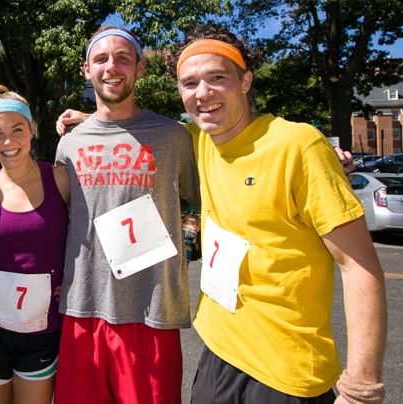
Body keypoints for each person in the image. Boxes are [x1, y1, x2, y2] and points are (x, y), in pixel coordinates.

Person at [169, 24, 386, 403]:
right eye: (190, 84)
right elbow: (140, 128)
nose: (202, 93)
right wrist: (89, 119)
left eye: (216, 78)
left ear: (246, 81)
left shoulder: (298, 146)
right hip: (215, 352)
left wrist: (360, 388)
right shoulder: (197, 141)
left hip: (284, 374)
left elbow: (360, 266)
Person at [52, 26, 200, 403]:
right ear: (87, 69)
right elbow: (57, 214)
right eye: (101, 59)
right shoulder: (70, 143)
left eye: (122, 58)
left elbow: (205, 198)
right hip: (82, 307)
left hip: (151, 311)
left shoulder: (174, 136)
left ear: (140, 68)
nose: (111, 67)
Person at [0, 85, 71, 404]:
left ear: (32, 130)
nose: (8, 142)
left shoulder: (62, 179)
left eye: (17, 130)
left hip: (45, 328)